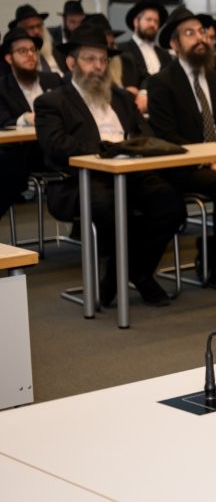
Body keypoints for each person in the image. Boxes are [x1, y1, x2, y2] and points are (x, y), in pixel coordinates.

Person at [35, 25, 185, 307]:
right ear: (71, 63)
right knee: (111, 208)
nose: (98, 66)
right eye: (90, 59)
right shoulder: (51, 102)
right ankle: (141, 277)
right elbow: (57, 146)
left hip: (131, 174)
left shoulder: (122, 98)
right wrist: (108, 150)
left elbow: (145, 135)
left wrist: (129, 151)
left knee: (170, 204)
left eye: (103, 60)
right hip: (81, 179)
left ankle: (126, 276)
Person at [144, 7, 216, 288]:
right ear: (174, 44)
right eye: (190, 33)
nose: (199, 38)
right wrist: (211, 162)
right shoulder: (161, 82)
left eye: (201, 32)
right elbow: (168, 137)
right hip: (183, 165)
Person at [0, 29, 63, 220]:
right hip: (24, 151)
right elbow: (3, 121)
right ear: (9, 58)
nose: (30, 55)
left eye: (33, 50)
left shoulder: (53, 80)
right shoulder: (2, 88)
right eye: (22, 51)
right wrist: (25, 119)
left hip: (56, 148)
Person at [117, 1, 170, 110]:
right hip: (133, 108)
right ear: (136, 22)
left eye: (156, 21)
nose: (153, 24)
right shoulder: (122, 50)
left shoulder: (165, 54)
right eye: (148, 19)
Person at [8, 3, 58, 75]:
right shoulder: (12, 58)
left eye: (39, 26)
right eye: (30, 27)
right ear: (19, 31)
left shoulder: (56, 48)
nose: (36, 31)